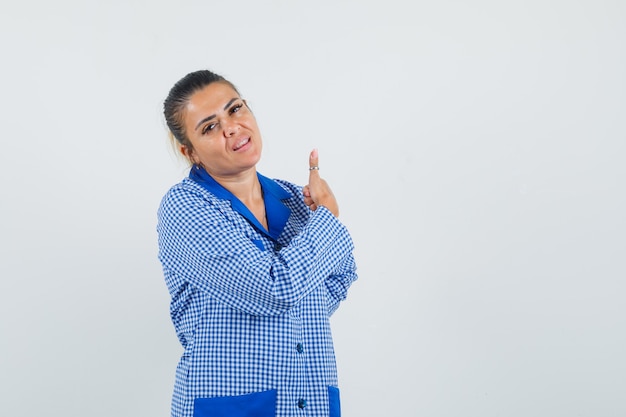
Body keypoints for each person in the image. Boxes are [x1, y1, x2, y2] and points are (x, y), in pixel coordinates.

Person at [157, 69, 358, 417]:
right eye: (209, 126)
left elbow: (343, 274)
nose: (231, 127)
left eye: (235, 109)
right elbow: (275, 289)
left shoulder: (294, 198)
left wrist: (294, 305)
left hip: (309, 401)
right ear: (189, 152)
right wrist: (326, 218)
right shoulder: (184, 207)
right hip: (232, 406)